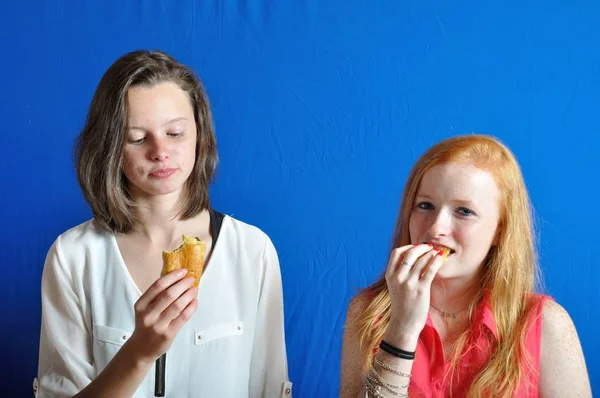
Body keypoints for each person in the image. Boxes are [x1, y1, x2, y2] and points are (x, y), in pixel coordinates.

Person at [34, 50, 292, 398]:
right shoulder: (72, 257)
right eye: (138, 138)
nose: (160, 151)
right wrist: (138, 352)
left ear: (200, 133)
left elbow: (269, 389)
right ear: (110, 146)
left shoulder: (252, 251)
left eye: (175, 133)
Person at [340, 135, 592, 397]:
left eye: (464, 211)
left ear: (500, 230)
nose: (436, 228)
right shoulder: (367, 313)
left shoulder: (548, 324)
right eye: (425, 205)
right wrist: (401, 328)